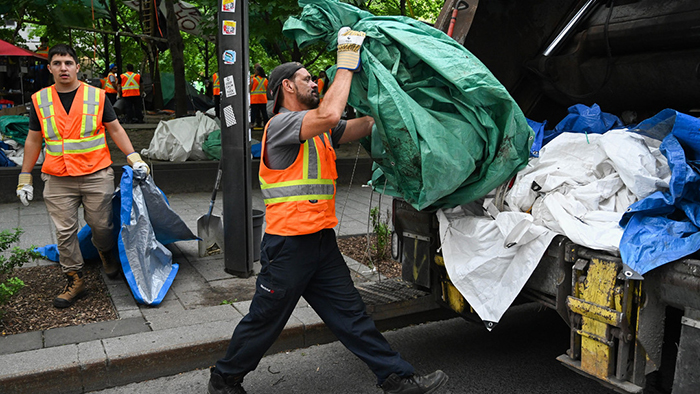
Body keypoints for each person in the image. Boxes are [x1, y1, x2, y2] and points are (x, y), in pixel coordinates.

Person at [207, 28, 448, 394]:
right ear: (287, 87)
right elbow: (332, 112)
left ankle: (396, 378)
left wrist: (392, 99)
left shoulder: (318, 130)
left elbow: (360, 125)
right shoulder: (283, 125)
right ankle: (224, 379)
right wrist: (345, 62)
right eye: (305, 79)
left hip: (319, 243)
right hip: (288, 247)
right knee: (264, 320)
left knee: (351, 316)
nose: (313, 82)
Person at [16, 44, 150, 309]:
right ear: (50, 68)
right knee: (65, 231)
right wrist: (24, 176)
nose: (63, 68)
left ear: (77, 66)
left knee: (102, 226)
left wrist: (134, 157)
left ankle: (105, 252)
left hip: (95, 174)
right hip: (57, 177)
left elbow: (115, 129)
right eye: (57, 63)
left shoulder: (98, 96)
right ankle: (74, 278)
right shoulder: (40, 100)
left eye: (68, 63)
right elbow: (33, 140)